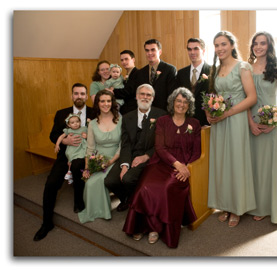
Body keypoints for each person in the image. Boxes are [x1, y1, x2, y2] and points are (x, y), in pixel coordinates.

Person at [123, 87, 201, 248]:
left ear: (189, 105)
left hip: (182, 167)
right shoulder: (163, 121)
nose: (181, 104)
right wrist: (177, 164)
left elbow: (197, 151)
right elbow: (160, 148)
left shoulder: (195, 123)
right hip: (161, 162)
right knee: (145, 186)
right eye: (178, 101)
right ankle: (141, 226)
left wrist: (186, 167)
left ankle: (155, 229)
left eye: (185, 102)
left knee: (166, 187)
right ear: (173, 102)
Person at [206, 31, 257, 228]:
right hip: (220, 121)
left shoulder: (242, 67)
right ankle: (226, 204)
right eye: (216, 45)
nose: (219, 48)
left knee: (236, 162)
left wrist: (227, 113)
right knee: (222, 164)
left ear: (232, 45)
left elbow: (251, 97)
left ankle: (237, 207)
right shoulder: (217, 69)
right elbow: (216, 96)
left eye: (223, 44)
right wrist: (211, 113)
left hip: (235, 119)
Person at [33, 83, 95, 241]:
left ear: (86, 96)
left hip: (84, 155)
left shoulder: (95, 113)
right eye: (76, 93)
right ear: (72, 96)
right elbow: (53, 135)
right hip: (64, 155)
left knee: (77, 166)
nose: (79, 96)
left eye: (82, 94)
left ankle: (78, 201)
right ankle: (47, 223)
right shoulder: (61, 114)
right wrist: (65, 141)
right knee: (51, 183)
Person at [246, 31, 277, 223]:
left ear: (269, 46)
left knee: (267, 168)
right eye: (255, 43)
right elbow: (244, 99)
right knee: (252, 166)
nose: (258, 47)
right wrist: (250, 122)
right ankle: (250, 204)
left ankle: (266, 207)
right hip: (251, 123)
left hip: (271, 126)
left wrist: (274, 122)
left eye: (262, 43)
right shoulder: (246, 69)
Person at [104, 84, 166, 212]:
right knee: (109, 181)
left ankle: (135, 202)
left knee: (127, 179)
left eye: (148, 95)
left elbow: (163, 143)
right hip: (130, 154)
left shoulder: (161, 115)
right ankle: (127, 199)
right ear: (137, 96)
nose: (145, 97)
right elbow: (125, 143)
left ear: (153, 98)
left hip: (149, 155)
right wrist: (125, 164)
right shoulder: (127, 117)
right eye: (142, 94)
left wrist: (146, 156)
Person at [78, 90, 122, 223]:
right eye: (102, 101)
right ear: (97, 103)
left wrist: (111, 161)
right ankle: (98, 211)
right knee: (90, 183)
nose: (106, 104)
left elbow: (122, 144)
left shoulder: (120, 119)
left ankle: (106, 211)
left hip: (116, 157)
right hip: (99, 159)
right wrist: (87, 168)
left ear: (112, 102)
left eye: (108, 101)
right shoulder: (92, 124)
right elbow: (90, 147)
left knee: (102, 180)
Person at [132, 39, 177, 111]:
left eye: (153, 50)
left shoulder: (169, 70)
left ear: (160, 52)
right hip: (145, 112)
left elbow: (172, 95)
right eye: (147, 50)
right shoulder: (140, 73)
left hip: (163, 112)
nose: (149, 53)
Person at [176, 38, 211, 126]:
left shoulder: (213, 71)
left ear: (203, 51)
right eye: (189, 49)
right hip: (186, 120)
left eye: (196, 49)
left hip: (206, 121)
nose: (192, 52)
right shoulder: (181, 73)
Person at [54, 113, 88, 184]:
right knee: (71, 156)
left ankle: (73, 173)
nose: (75, 124)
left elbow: (91, 135)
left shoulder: (84, 128)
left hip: (82, 147)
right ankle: (70, 172)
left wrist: (86, 136)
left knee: (85, 155)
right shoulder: (68, 130)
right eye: (72, 123)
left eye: (77, 122)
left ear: (80, 122)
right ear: (69, 125)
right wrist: (57, 145)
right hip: (73, 148)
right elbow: (61, 137)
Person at [113, 50, 139, 115]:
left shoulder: (138, 73)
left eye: (126, 59)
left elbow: (129, 91)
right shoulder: (126, 75)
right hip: (126, 109)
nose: (124, 62)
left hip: (133, 109)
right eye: (122, 60)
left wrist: (113, 91)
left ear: (133, 59)